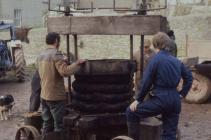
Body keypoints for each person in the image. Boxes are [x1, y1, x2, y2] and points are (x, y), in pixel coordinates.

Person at [126, 32, 193, 140]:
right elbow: (189, 78)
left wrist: (138, 100)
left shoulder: (156, 60)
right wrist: (182, 94)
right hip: (175, 100)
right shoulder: (177, 61)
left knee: (131, 112)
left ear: (154, 44)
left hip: (161, 99)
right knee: (169, 135)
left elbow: (146, 82)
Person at [37, 32, 86, 135]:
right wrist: (77, 63)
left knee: (47, 123)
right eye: (59, 41)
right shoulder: (56, 54)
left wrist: (63, 62)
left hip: (44, 95)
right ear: (56, 41)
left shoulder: (41, 55)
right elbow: (65, 72)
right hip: (55, 97)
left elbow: (48, 72)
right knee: (59, 125)